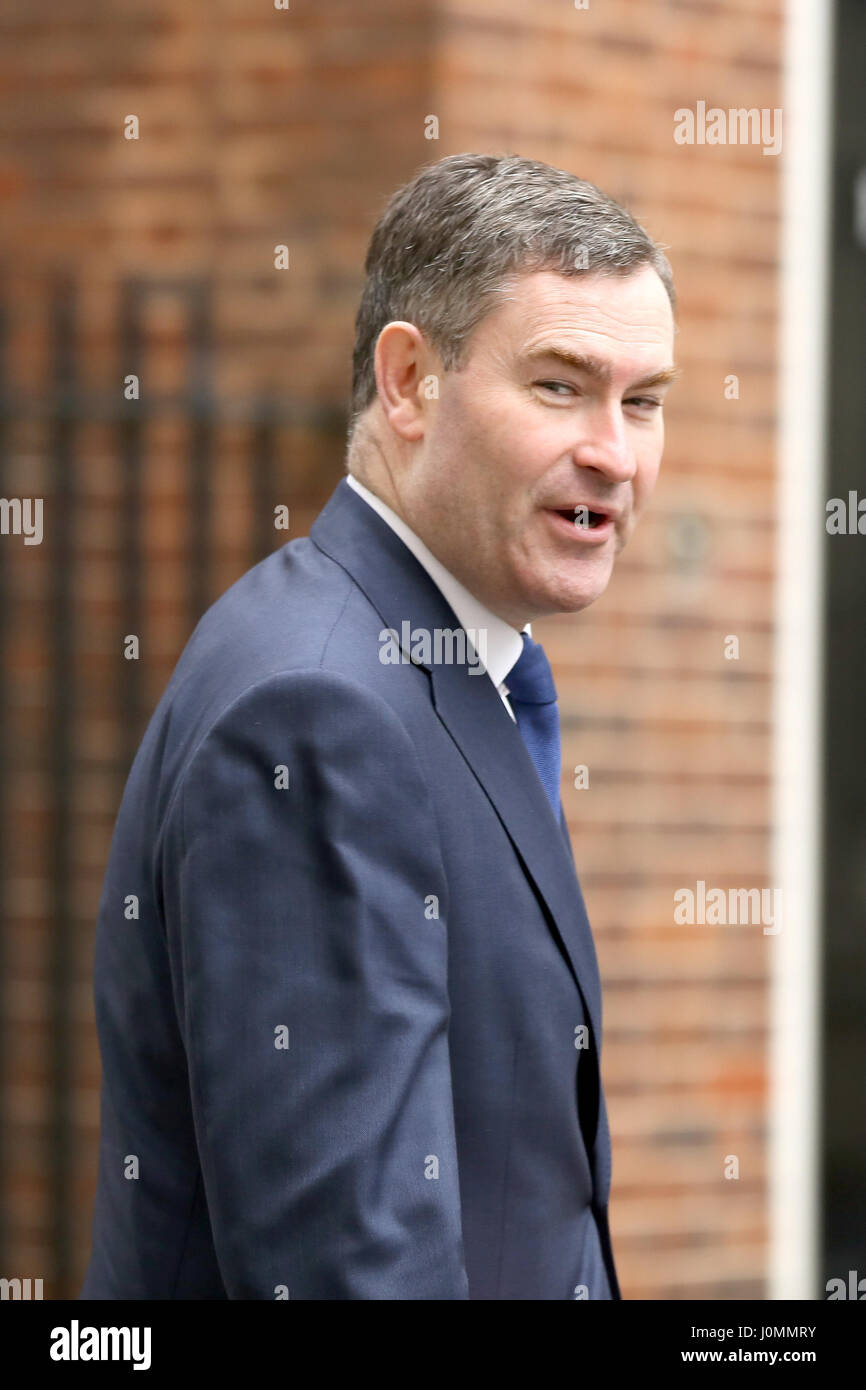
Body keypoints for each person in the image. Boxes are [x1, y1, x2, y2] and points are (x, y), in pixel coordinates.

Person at [80, 151, 678, 1300]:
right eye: (560, 385)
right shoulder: (317, 713)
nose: (614, 451)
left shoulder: (430, 664)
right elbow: (353, 1271)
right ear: (407, 381)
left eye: (642, 400)